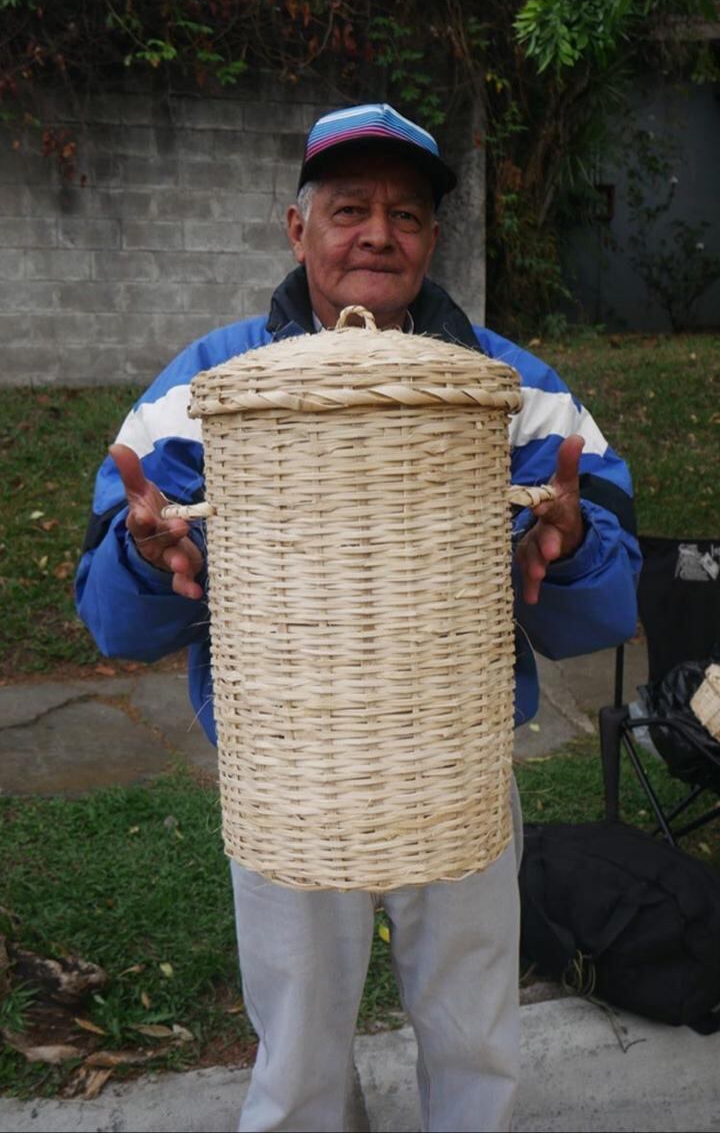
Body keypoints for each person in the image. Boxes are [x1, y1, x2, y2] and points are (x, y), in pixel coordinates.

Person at [76, 102, 641, 1133]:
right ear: (298, 229)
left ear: (431, 238)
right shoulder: (205, 392)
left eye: (407, 213)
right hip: (286, 783)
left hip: (459, 779)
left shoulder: (517, 395)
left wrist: (565, 551)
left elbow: (609, 600)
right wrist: (147, 554)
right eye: (348, 208)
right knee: (294, 1061)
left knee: (477, 1037)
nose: (378, 232)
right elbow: (113, 620)